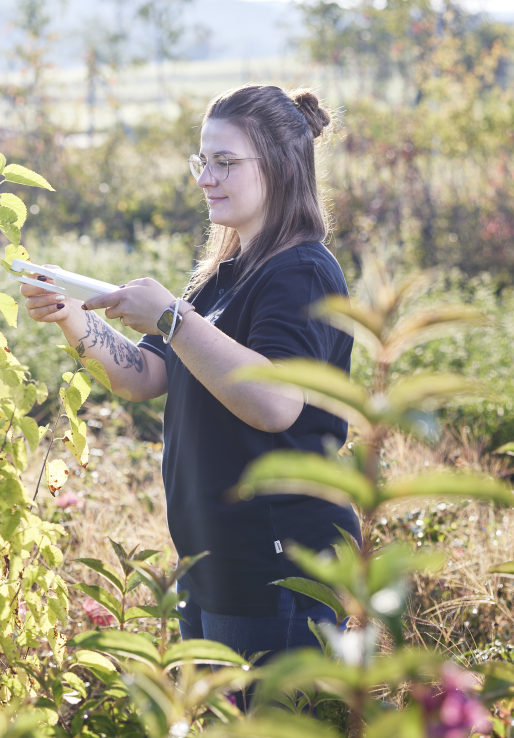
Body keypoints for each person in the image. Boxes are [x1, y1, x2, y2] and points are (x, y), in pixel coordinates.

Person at [20, 84, 359, 661]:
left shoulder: (299, 272)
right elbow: (145, 375)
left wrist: (173, 319)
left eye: (225, 162)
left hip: (277, 572)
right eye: (202, 161)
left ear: (280, 167)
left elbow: (275, 404)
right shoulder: (223, 274)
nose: (205, 178)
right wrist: (71, 315)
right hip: (213, 565)